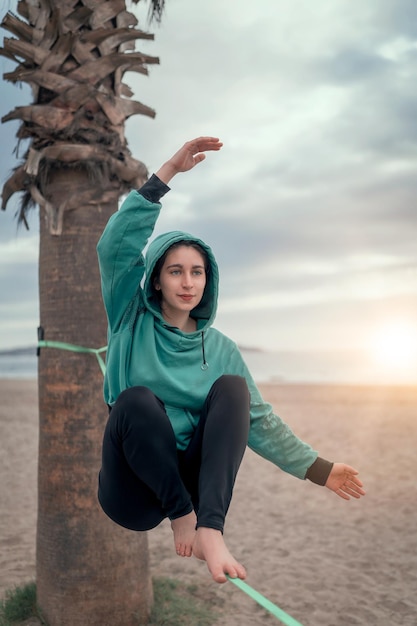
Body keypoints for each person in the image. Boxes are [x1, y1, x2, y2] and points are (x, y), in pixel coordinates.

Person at [96, 137, 365, 584]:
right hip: (135, 490)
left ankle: (211, 527)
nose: (187, 282)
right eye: (175, 270)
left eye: (197, 271)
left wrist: (320, 470)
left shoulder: (220, 349)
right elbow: (114, 248)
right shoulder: (130, 315)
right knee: (136, 401)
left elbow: (257, 420)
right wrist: (167, 173)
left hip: (192, 478)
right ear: (156, 280)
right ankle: (184, 516)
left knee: (234, 390)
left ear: (209, 280)